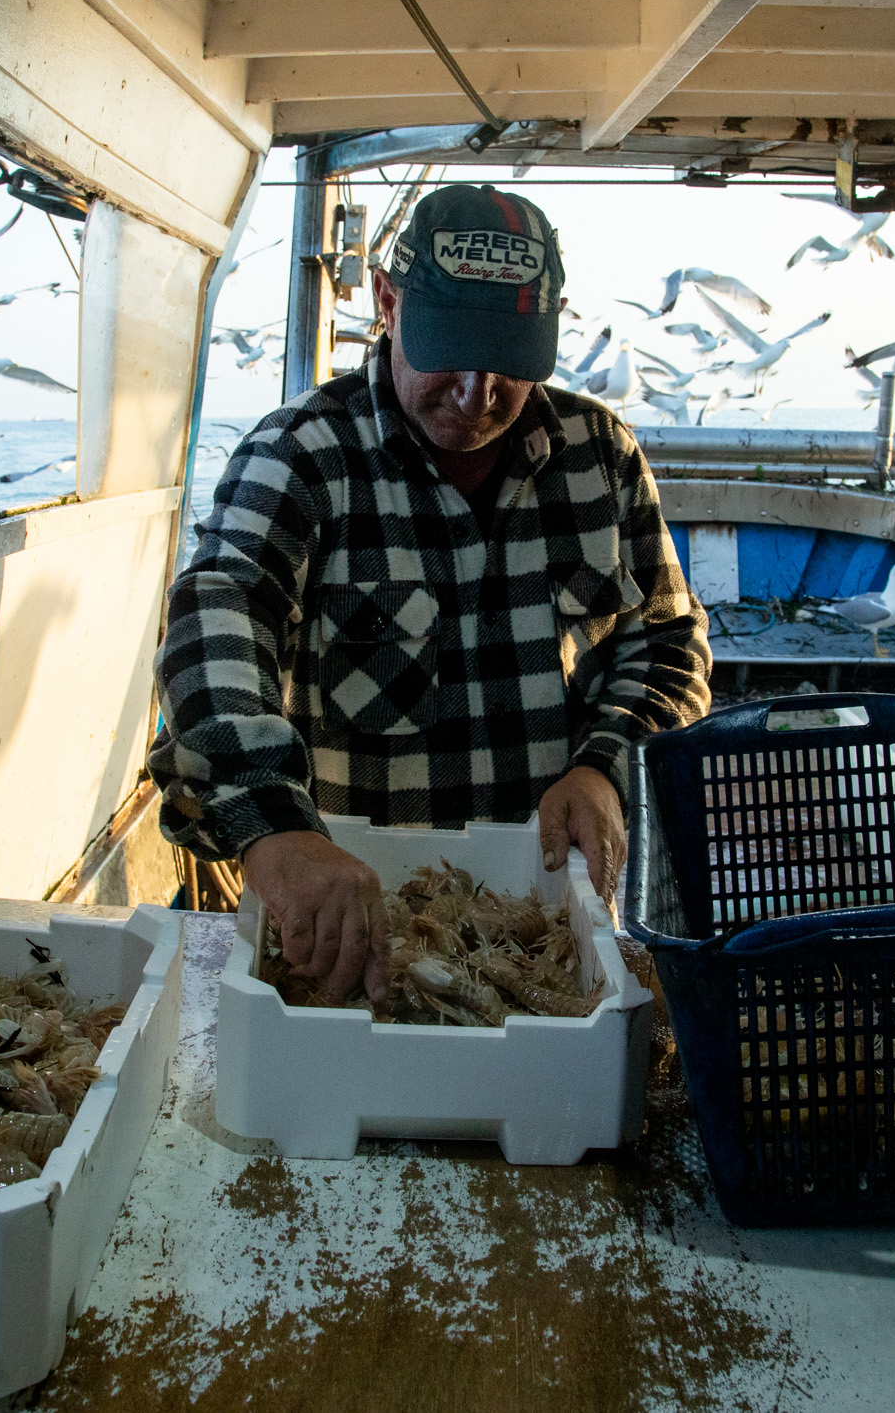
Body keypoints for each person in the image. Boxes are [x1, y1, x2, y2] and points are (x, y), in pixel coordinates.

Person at [150, 184, 712, 1004]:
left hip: (544, 936)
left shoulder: (602, 457)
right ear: (387, 301)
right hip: (346, 940)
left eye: (510, 362)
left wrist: (604, 766)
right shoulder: (300, 457)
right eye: (452, 349)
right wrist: (274, 828)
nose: (478, 393)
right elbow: (217, 620)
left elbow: (665, 645)